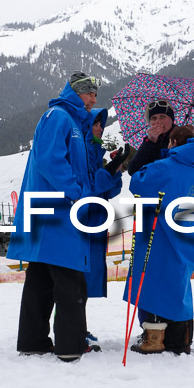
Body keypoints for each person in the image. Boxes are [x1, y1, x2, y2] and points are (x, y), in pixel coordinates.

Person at [7, 71, 125, 362]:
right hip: (58, 214)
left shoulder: (73, 122)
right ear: (76, 92)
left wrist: (105, 161)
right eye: (90, 93)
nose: (94, 99)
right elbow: (51, 162)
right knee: (70, 278)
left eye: (95, 94)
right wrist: (78, 193)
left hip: (54, 215)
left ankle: (33, 341)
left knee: (41, 279)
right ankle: (71, 346)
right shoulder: (58, 117)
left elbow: (80, 169)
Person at [125, 125, 194, 355]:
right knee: (179, 284)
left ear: (174, 143)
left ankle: (155, 339)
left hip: (163, 236)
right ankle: (180, 340)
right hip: (191, 239)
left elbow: (136, 182)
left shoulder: (163, 168)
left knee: (155, 282)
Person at [83, 108, 126, 349]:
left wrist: (115, 172)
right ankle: (70, 326)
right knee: (77, 278)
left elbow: (107, 190)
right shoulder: (84, 150)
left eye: (102, 123)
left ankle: (78, 324)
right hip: (85, 221)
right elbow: (90, 184)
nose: (100, 127)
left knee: (85, 279)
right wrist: (107, 171)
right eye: (96, 123)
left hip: (95, 221)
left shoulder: (95, 151)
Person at [127, 99, 175, 175]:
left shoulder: (182, 137)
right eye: (154, 118)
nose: (158, 121)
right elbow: (132, 170)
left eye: (162, 117)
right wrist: (150, 142)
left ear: (172, 119)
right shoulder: (149, 141)